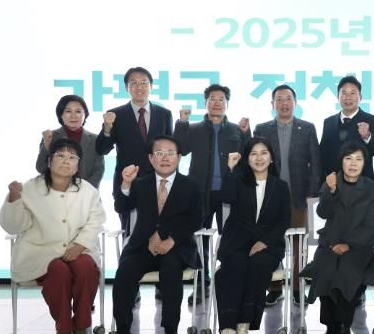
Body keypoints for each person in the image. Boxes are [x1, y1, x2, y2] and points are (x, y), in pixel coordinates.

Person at [103, 136, 204, 334]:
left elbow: (196, 219)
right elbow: (122, 206)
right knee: (125, 272)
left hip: (176, 246)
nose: (165, 158)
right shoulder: (140, 183)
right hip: (143, 245)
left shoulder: (191, 185)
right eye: (159, 153)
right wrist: (125, 184)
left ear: (179, 157)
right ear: (150, 158)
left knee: (171, 270)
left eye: (170, 153)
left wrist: (171, 240)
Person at [0, 138, 106, 334]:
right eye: (60, 155)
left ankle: (83, 325)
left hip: (78, 249)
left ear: (78, 165)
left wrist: (80, 245)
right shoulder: (30, 188)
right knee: (58, 270)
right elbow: (13, 226)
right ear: (49, 161)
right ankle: (64, 329)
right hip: (41, 251)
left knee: (86, 266)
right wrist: (14, 198)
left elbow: (96, 220)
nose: (66, 161)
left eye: (72, 157)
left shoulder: (88, 191)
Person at [215, 137, 291, 334]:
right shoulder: (238, 180)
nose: (259, 158)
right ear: (246, 159)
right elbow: (226, 198)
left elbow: (283, 220)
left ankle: (243, 328)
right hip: (237, 241)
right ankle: (228, 332)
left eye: (264, 153)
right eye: (253, 154)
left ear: (272, 158)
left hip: (268, 244)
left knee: (258, 266)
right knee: (235, 267)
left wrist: (265, 241)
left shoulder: (280, 186)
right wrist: (230, 170)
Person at [173, 83, 250, 306]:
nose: (217, 103)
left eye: (221, 99)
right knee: (200, 240)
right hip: (200, 193)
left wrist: (247, 133)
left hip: (229, 194)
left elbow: (248, 156)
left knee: (231, 239)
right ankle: (201, 284)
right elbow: (181, 148)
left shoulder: (236, 129)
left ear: (227, 104)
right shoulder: (194, 128)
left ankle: (228, 280)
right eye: (212, 99)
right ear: (205, 103)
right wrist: (182, 123)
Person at [307, 141, 374, 334]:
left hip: (359, 246)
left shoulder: (370, 187)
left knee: (347, 271)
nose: (353, 164)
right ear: (341, 161)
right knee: (325, 269)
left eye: (358, 159)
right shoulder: (332, 181)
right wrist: (330, 191)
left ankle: (342, 329)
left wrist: (348, 244)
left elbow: (370, 224)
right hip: (330, 243)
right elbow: (323, 213)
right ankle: (330, 329)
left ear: (365, 163)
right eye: (349, 159)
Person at [253, 84, 321, 307]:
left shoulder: (307, 128)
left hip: (298, 197)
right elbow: (255, 161)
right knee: (271, 243)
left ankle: (297, 288)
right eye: (279, 99)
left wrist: (312, 196)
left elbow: (316, 164)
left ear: (295, 102)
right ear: (272, 104)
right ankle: (274, 288)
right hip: (270, 198)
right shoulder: (262, 129)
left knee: (298, 245)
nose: (284, 103)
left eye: (288, 98)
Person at [95, 67, 173, 232]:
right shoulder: (115, 115)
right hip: (128, 182)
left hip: (158, 182)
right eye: (134, 83)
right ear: (126, 87)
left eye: (144, 82)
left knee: (160, 232)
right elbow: (102, 149)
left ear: (151, 86)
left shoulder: (164, 114)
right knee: (129, 233)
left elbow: (171, 151)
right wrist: (107, 128)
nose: (139, 87)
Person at [320, 75, 374, 183]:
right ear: (338, 96)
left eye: (352, 93)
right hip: (334, 184)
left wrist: (367, 136)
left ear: (360, 97)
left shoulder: (373, 120)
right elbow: (322, 153)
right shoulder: (328, 122)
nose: (348, 97)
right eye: (344, 93)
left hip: (362, 185)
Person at [36, 95, 105, 189]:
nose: (73, 116)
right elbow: (41, 168)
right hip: (56, 193)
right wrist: (46, 146)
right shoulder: (51, 136)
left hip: (87, 194)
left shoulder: (95, 139)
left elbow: (99, 170)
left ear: (85, 114)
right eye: (68, 111)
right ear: (61, 115)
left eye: (78, 111)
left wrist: (85, 191)